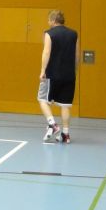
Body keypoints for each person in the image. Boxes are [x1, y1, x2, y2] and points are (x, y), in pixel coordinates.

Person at [38, 10, 79, 144]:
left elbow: (46, 52)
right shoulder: (74, 34)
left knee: (42, 99)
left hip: (52, 74)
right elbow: (76, 55)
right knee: (65, 105)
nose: (48, 22)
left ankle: (52, 124)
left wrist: (42, 70)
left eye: (49, 20)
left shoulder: (49, 33)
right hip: (69, 75)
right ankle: (65, 134)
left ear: (53, 20)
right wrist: (74, 70)